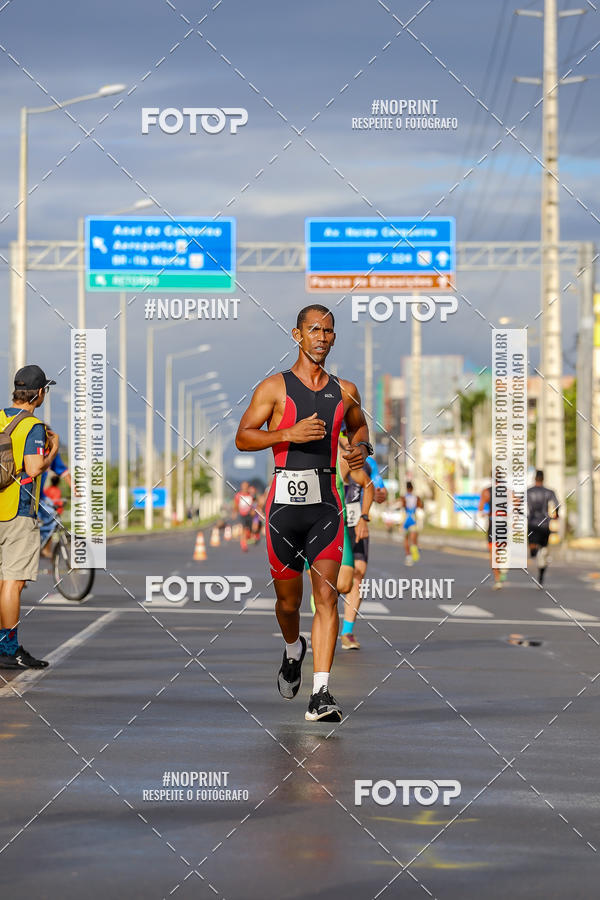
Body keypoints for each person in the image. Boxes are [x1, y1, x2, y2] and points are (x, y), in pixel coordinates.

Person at [235, 304, 371, 722]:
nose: (321, 337)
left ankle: (321, 693)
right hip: (283, 509)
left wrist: (361, 447)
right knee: (288, 603)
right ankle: (293, 648)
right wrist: (287, 434)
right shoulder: (274, 388)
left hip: (326, 506)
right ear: (297, 335)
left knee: (326, 596)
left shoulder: (345, 390)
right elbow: (243, 437)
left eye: (328, 331)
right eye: (314, 330)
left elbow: (359, 427)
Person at [0, 366, 59, 669]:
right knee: (13, 582)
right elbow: (34, 468)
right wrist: (53, 450)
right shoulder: (33, 426)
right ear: (38, 394)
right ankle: (8, 649)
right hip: (18, 512)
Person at [337, 435, 374, 649]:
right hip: (333, 527)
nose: (348, 451)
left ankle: (347, 632)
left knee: (358, 575)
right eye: (344, 446)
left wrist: (364, 517)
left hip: (355, 526)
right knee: (332, 581)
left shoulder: (363, 465)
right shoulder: (329, 462)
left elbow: (373, 485)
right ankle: (324, 621)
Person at [527, 470, 559, 586]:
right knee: (544, 547)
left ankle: (535, 552)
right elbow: (557, 505)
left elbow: (518, 505)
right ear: (543, 479)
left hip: (532, 523)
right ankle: (541, 570)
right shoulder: (549, 492)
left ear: (535, 478)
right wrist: (556, 515)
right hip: (545, 524)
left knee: (533, 547)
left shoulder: (528, 491)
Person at [39, 452, 71, 557]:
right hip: (38, 499)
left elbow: (63, 470)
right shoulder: (56, 490)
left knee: (49, 524)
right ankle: (44, 548)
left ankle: (44, 548)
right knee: (50, 523)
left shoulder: (52, 451)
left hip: (43, 499)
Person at [479, 477, 506, 590]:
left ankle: (497, 579)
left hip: (493, 523)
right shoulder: (508, 491)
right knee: (502, 548)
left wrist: (485, 513)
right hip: (504, 523)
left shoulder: (487, 491)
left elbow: (480, 508)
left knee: (493, 552)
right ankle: (503, 567)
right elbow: (517, 504)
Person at [402, 481, 423, 566]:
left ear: (406, 488)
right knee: (414, 538)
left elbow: (403, 506)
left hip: (406, 519)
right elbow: (421, 506)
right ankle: (414, 548)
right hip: (413, 519)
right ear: (412, 488)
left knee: (406, 539)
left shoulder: (404, 497)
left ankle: (408, 556)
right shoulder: (416, 498)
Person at [233, 480, 255, 552]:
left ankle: (248, 537)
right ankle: (243, 544)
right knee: (243, 529)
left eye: (246, 487)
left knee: (249, 529)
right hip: (242, 514)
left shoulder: (251, 496)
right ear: (241, 487)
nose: (245, 488)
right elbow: (236, 504)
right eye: (243, 486)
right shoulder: (238, 495)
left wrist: (253, 511)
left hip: (249, 514)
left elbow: (253, 504)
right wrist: (235, 512)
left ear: (248, 487)